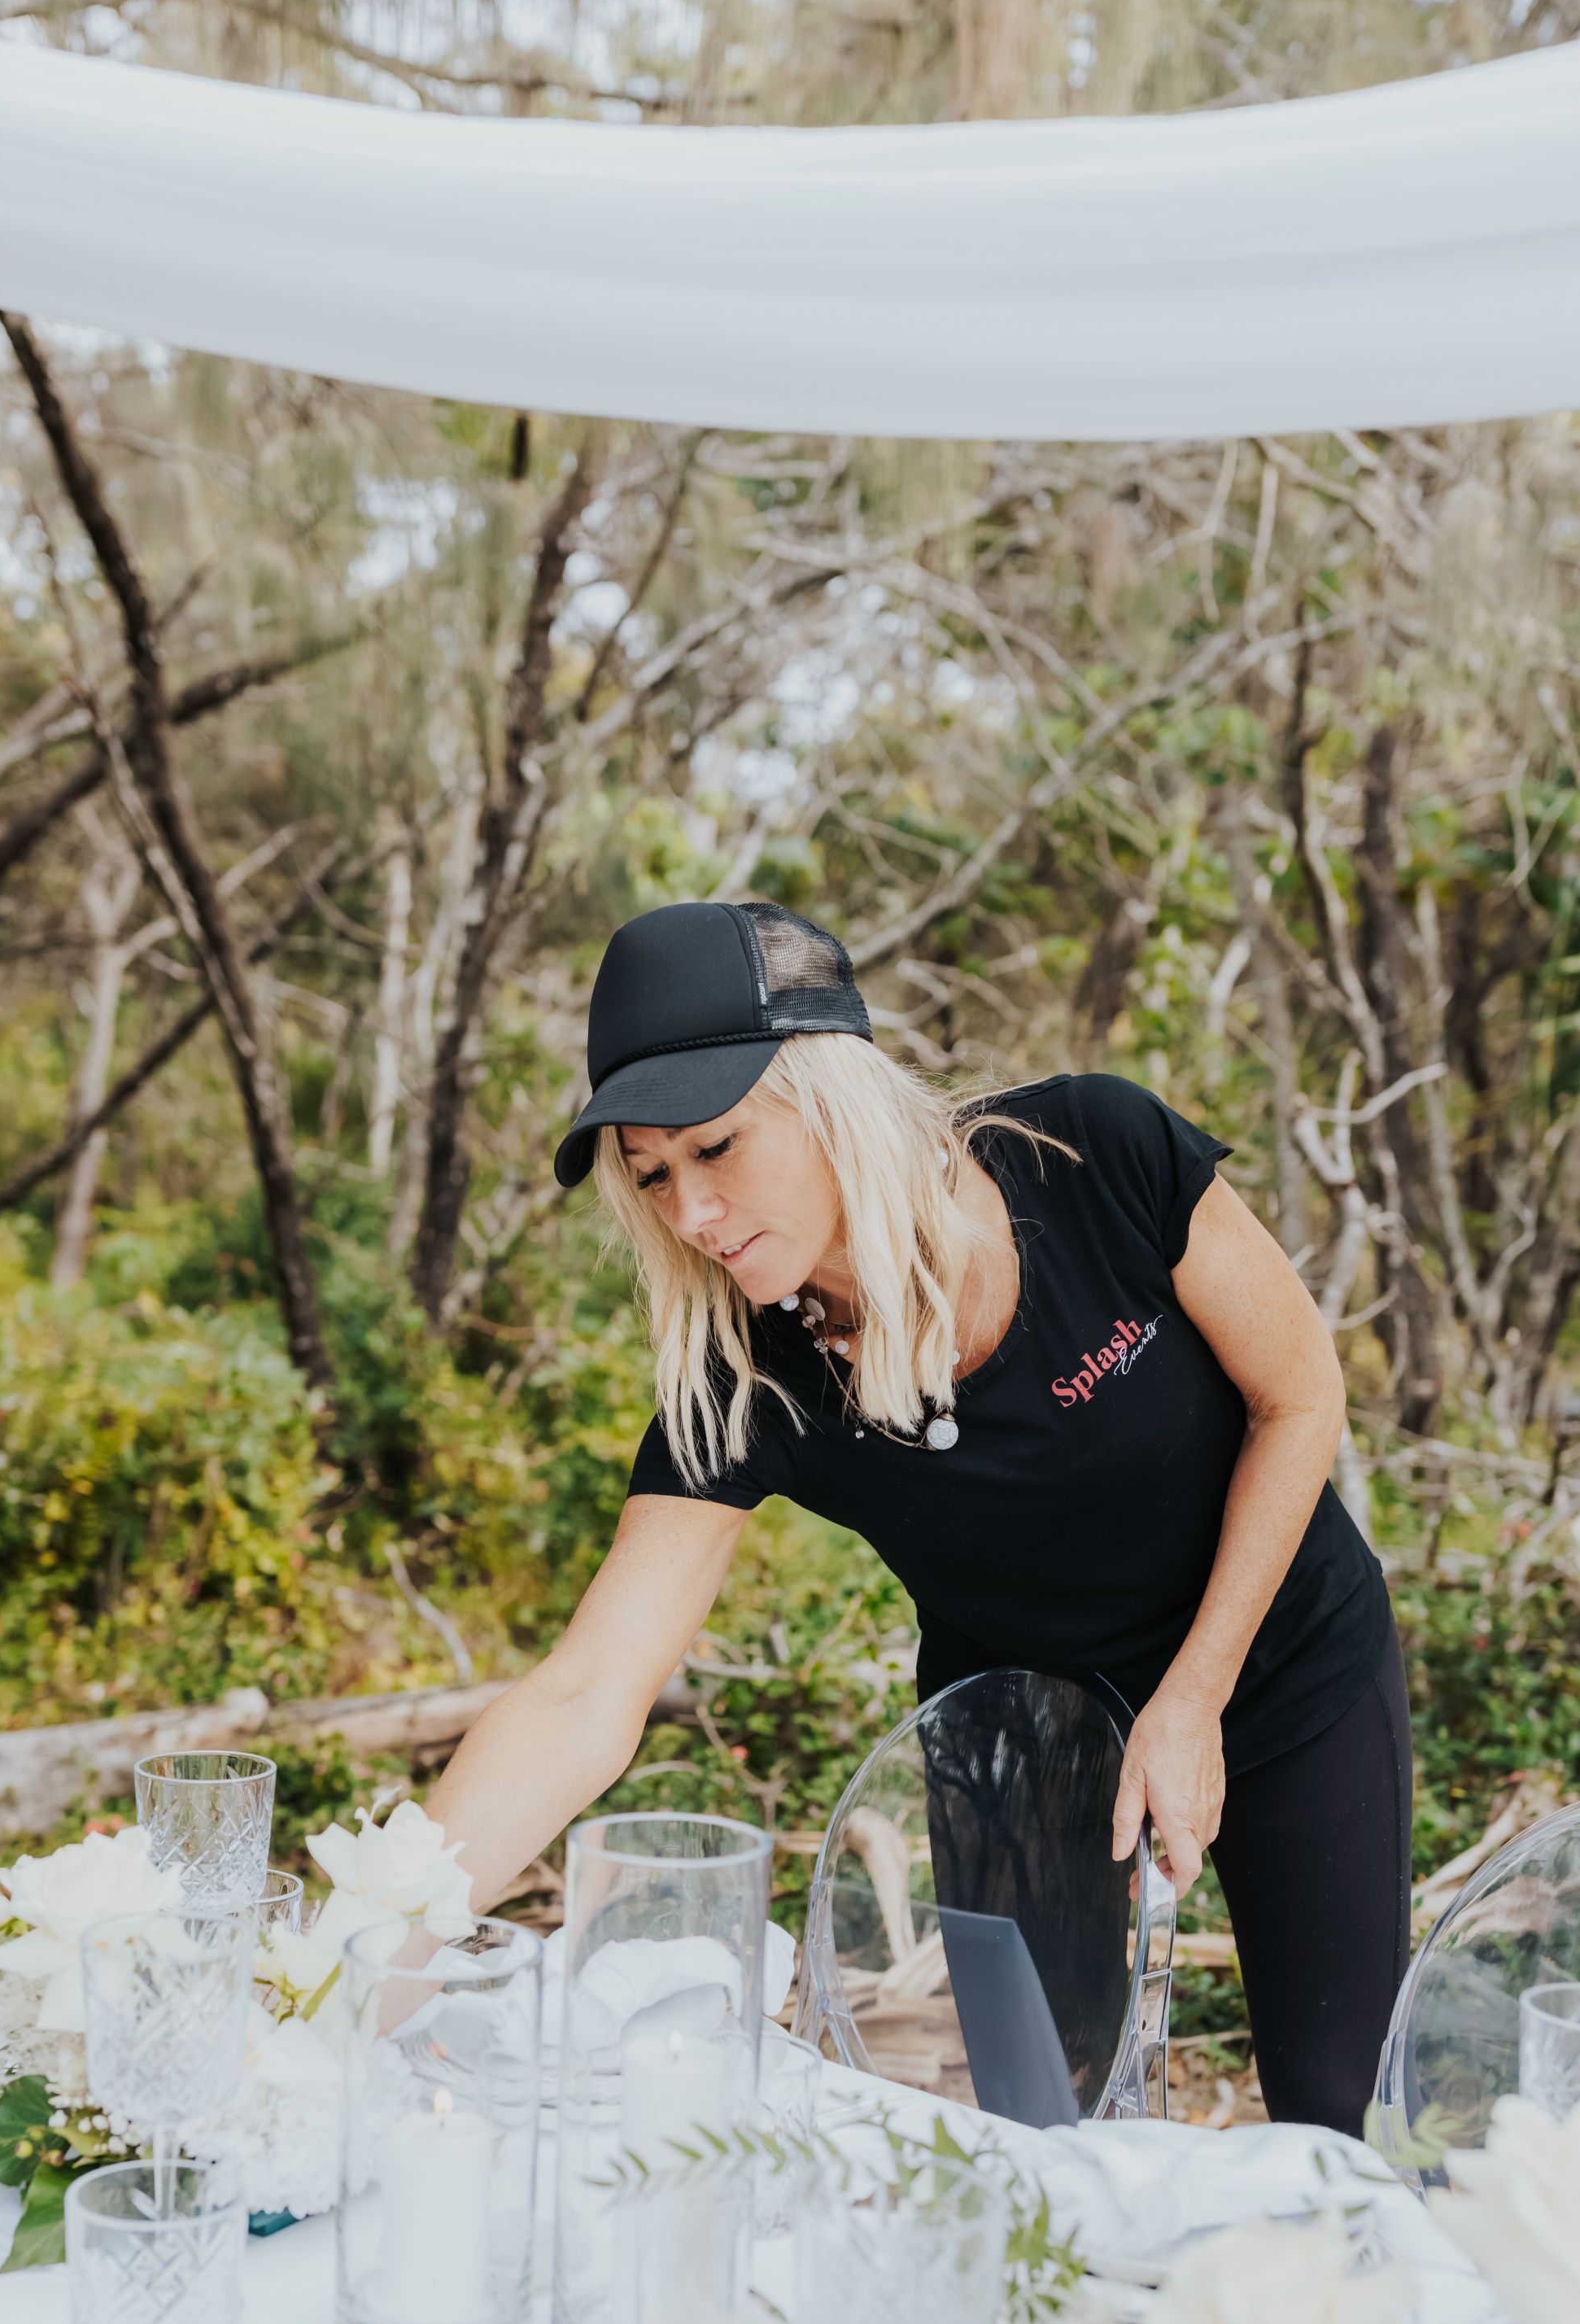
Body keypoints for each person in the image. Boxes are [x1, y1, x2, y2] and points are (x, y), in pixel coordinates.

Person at [426, 898, 1410, 2135]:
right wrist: (353, 1948)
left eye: (716, 1149)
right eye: (652, 1175)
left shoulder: (1098, 1156)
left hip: (1277, 1665)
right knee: (1037, 2137)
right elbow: (582, 1696)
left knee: (1346, 2118)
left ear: (826, 1095)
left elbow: (1298, 1396)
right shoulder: (747, 1380)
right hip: (1016, 1735)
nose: (689, 1216)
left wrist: (1196, 1695)